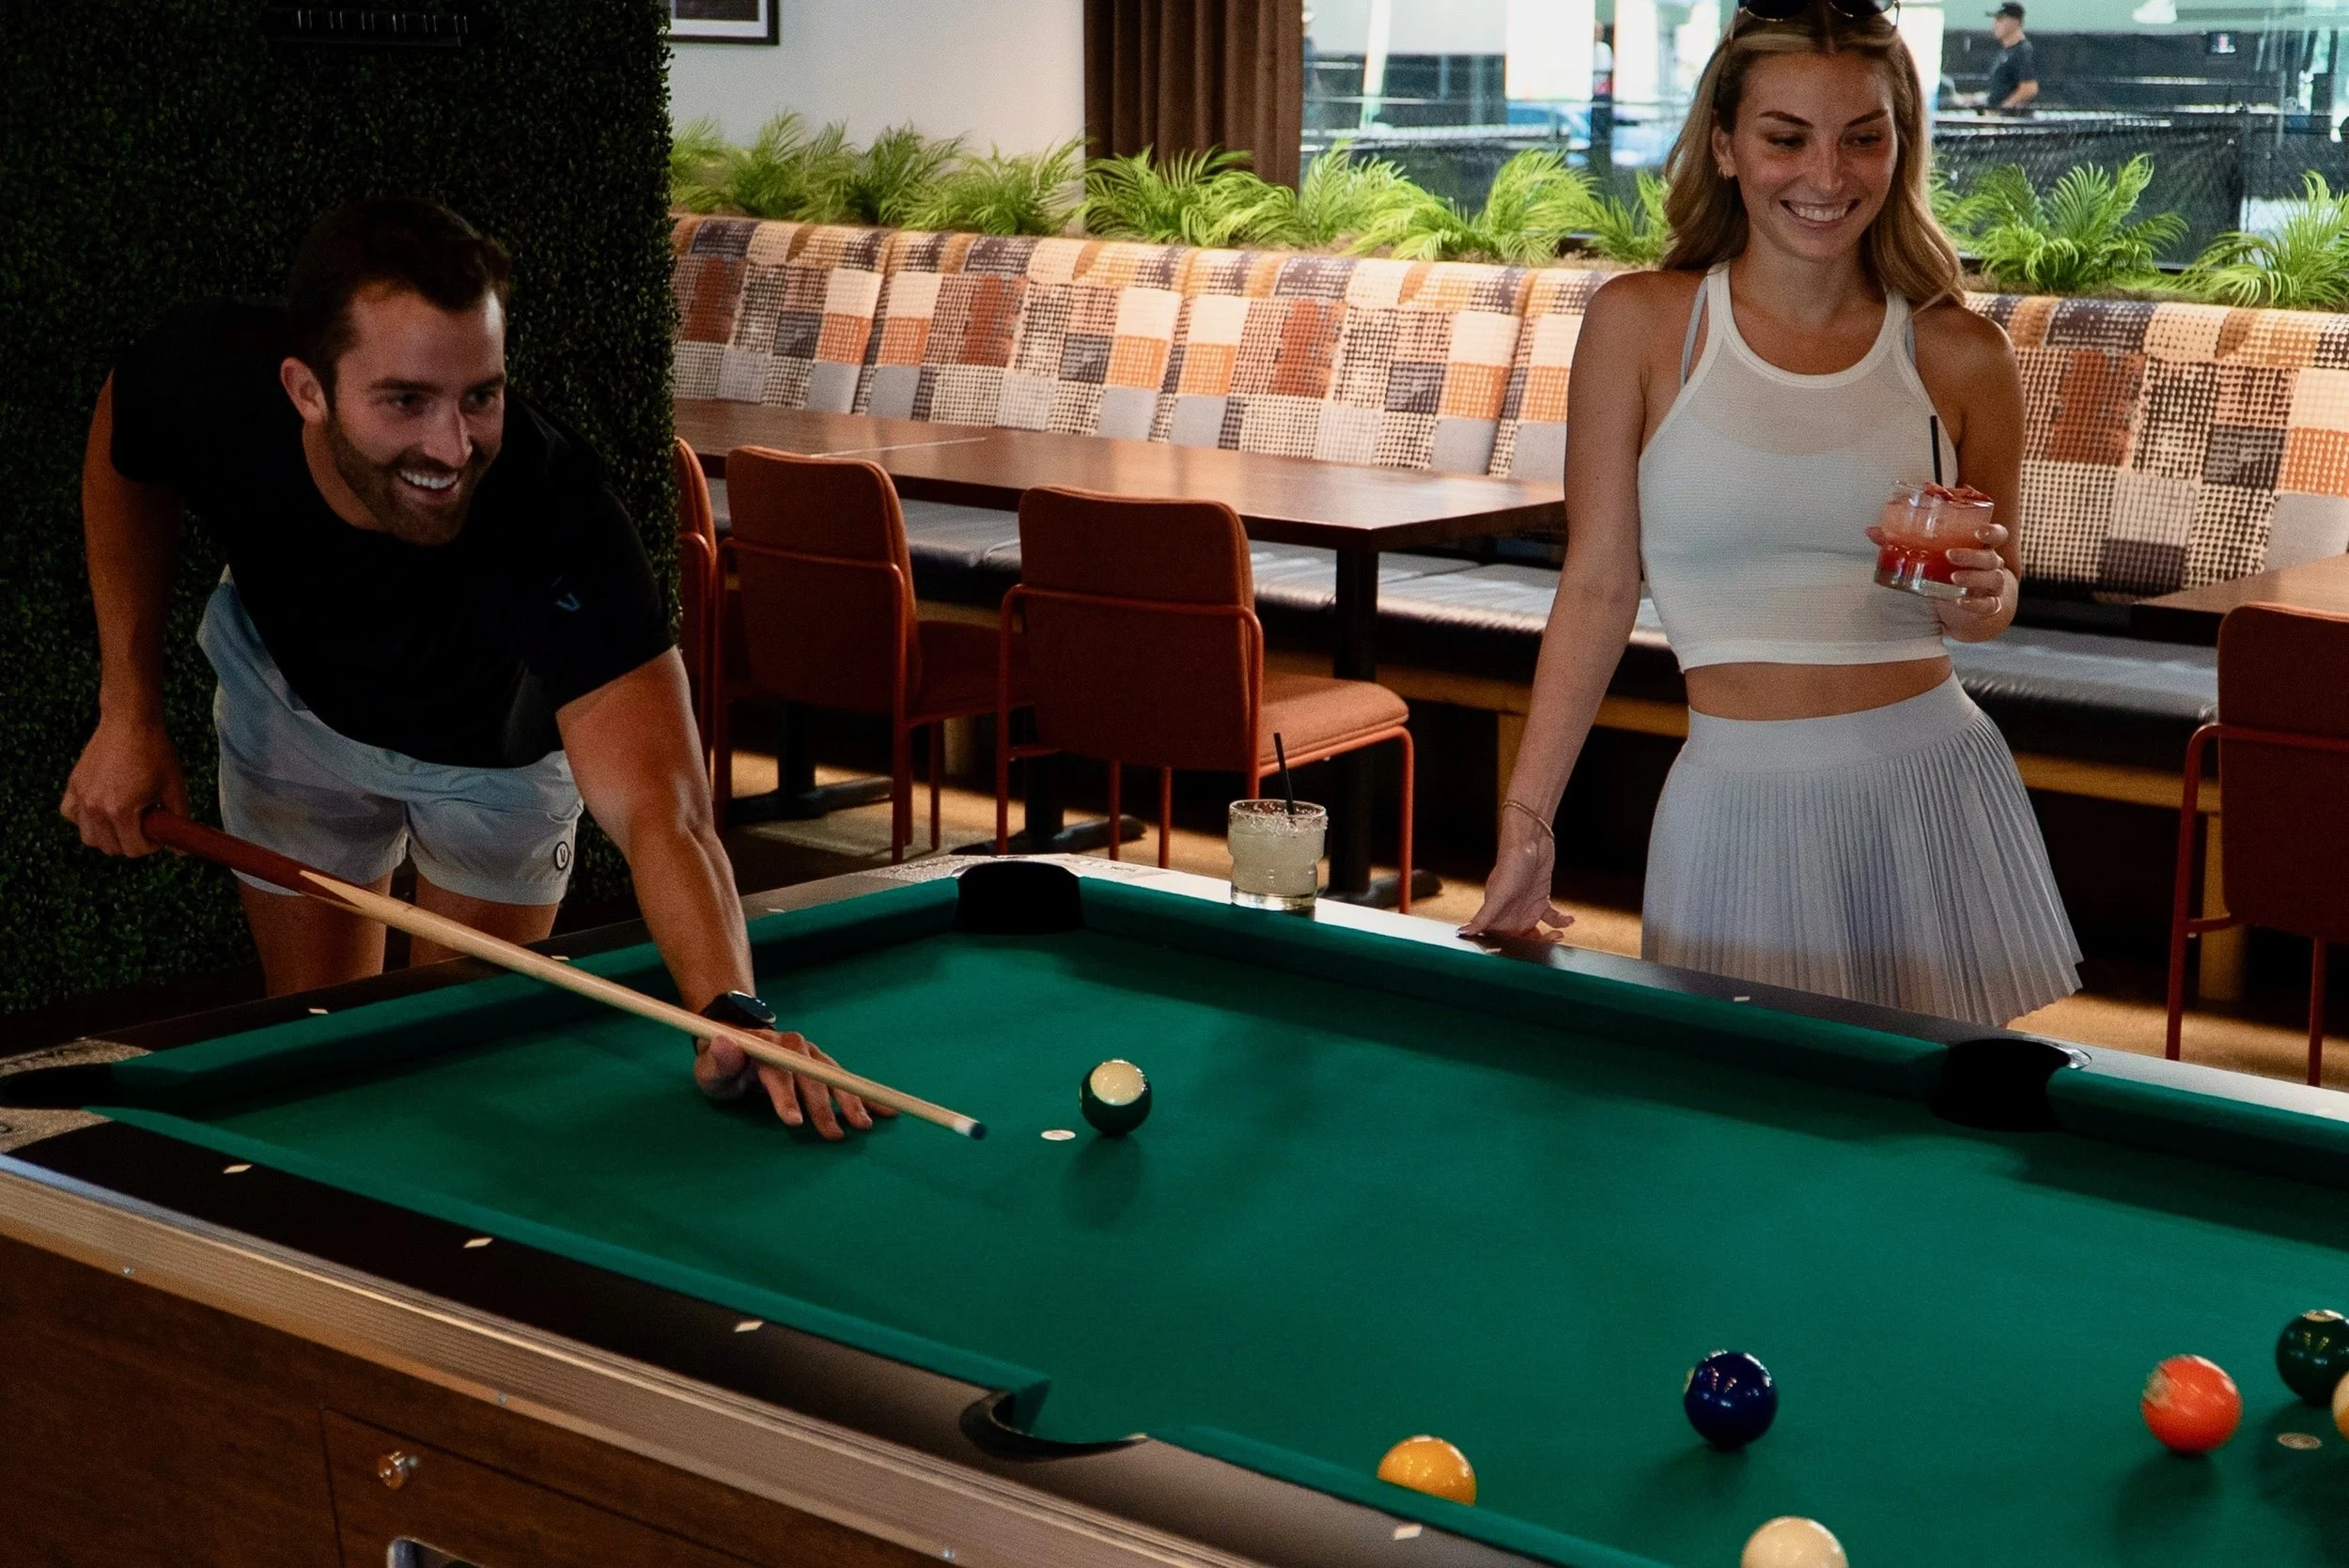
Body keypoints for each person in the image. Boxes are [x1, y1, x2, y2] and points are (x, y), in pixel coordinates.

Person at [60, 197, 886, 1138]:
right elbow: (126, 440)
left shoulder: (559, 517)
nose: (453, 448)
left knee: (452, 1058)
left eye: (480, 396)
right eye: (405, 400)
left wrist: (733, 1011)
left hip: (495, 760)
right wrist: (127, 707)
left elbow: (666, 808)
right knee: (316, 1039)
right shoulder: (206, 372)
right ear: (306, 389)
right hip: (293, 708)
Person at [1462, 0, 2079, 1026]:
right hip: (1731, 803)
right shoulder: (1642, 326)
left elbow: (1988, 600)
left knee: (1921, 1155)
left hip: (1927, 789)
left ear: (1900, 145)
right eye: (1785, 137)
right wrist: (1526, 824)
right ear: (1725, 146)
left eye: (1862, 138)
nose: (1826, 177)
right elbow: (1599, 585)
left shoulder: (1964, 356)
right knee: (1727, 1143)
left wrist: (1982, 597)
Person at [1983, 3, 2039, 114]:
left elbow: (2029, 88)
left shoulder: (2022, 51)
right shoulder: (2005, 52)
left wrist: (1999, 113)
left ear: (2016, 22)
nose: (1995, 25)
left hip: (2012, 124)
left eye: (2000, 19)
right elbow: (2001, 90)